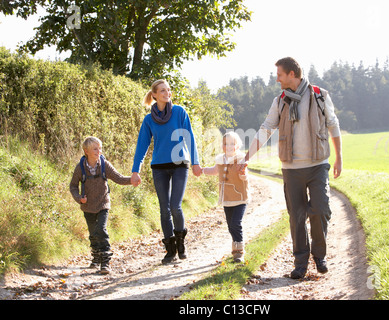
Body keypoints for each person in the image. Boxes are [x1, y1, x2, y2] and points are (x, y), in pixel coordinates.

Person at [242, 57, 343, 279]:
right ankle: (300, 263)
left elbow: (333, 124)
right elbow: (266, 128)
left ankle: (319, 256)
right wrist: (247, 157)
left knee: (321, 209)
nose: (277, 79)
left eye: (279, 74)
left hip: (317, 165)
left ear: (291, 74)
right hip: (291, 168)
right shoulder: (280, 101)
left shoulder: (319, 95)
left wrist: (339, 158)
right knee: (296, 215)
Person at [131, 79, 202, 264]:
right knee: (164, 209)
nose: (166, 93)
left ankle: (180, 243)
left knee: (175, 206)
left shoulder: (179, 112)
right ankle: (170, 250)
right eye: (162, 90)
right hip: (159, 167)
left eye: (168, 90)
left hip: (180, 164)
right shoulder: (149, 120)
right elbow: (142, 146)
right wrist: (135, 170)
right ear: (154, 94)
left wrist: (196, 162)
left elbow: (190, 137)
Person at [70, 136, 132, 274]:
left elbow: (119, 178)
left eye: (100, 148)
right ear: (86, 151)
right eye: (95, 149)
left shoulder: (104, 165)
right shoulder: (80, 168)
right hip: (87, 206)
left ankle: (105, 262)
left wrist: (132, 180)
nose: (99, 151)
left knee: (101, 229)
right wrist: (79, 198)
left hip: (103, 203)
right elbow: (73, 186)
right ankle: (96, 257)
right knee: (93, 233)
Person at [203, 132, 250, 262]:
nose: (228, 146)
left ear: (237, 145)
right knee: (230, 225)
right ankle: (235, 246)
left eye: (232, 144)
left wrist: (243, 172)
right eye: (225, 144)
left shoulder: (240, 159)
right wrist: (201, 170)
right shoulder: (220, 160)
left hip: (240, 198)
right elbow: (214, 170)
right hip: (227, 198)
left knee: (236, 223)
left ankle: (239, 251)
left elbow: (244, 177)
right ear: (222, 145)